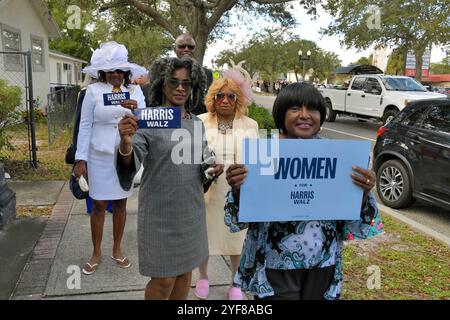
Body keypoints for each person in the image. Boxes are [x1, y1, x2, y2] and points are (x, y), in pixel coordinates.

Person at [224, 82, 384, 300]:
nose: (305, 115)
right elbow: (240, 216)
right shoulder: (263, 153)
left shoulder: (338, 156)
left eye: (313, 109)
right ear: (282, 113)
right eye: (295, 108)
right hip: (275, 262)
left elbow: (356, 217)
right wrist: (238, 188)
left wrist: (363, 192)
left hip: (322, 261)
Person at [115, 56, 224, 300]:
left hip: (191, 212)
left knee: (185, 274)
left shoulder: (196, 123)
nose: (180, 88)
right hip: (160, 214)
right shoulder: (148, 119)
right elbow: (130, 162)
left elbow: (201, 166)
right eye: (173, 82)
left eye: (187, 83)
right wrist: (125, 143)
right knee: (163, 280)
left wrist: (211, 169)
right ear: (162, 85)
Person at [73, 41, 147, 275]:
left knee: (121, 204)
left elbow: (145, 121)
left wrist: (136, 110)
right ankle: (96, 252)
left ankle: (117, 249)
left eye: (119, 70)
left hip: (125, 154)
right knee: (98, 205)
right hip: (98, 155)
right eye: (110, 70)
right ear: (102, 72)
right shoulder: (92, 92)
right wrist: (80, 158)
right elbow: (84, 125)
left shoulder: (135, 90)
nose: (115, 74)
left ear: (126, 72)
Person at [196, 62, 259, 300]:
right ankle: (203, 277)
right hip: (206, 190)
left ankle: (235, 283)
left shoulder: (250, 125)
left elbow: (256, 159)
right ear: (213, 98)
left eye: (230, 96)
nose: (224, 100)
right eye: (219, 95)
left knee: (237, 240)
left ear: (238, 99)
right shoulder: (200, 121)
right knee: (204, 238)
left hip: (238, 191)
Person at [72, 75, 114, 215]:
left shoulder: (116, 92)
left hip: (112, 144)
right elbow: (80, 123)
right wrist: (79, 152)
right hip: (91, 144)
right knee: (91, 177)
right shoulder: (86, 93)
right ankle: (93, 207)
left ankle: (111, 205)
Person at [174, 33, 212, 114]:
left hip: (200, 121)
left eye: (190, 47)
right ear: (175, 49)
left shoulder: (207, 74)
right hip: (174, 122)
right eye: (182, 46)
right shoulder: (165, 73)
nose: (186, 49)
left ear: (195, 50)